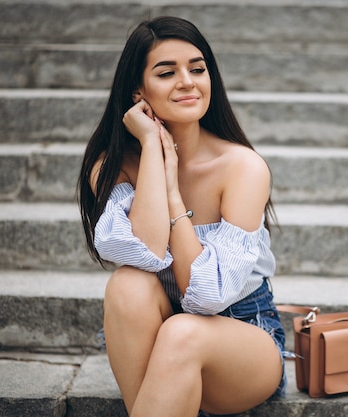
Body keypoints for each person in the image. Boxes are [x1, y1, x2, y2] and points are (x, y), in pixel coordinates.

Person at [77, 16, 285, 417]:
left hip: (244, 337)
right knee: (127, 286)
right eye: (166, 72)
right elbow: (143, 251)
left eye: (197, 68)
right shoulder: (114, 165)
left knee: (183, 330)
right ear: (138, 91)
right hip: (163, 341)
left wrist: (172, 195)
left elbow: (207, 298)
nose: (188, 81)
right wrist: (153, 152)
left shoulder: (243, 167)